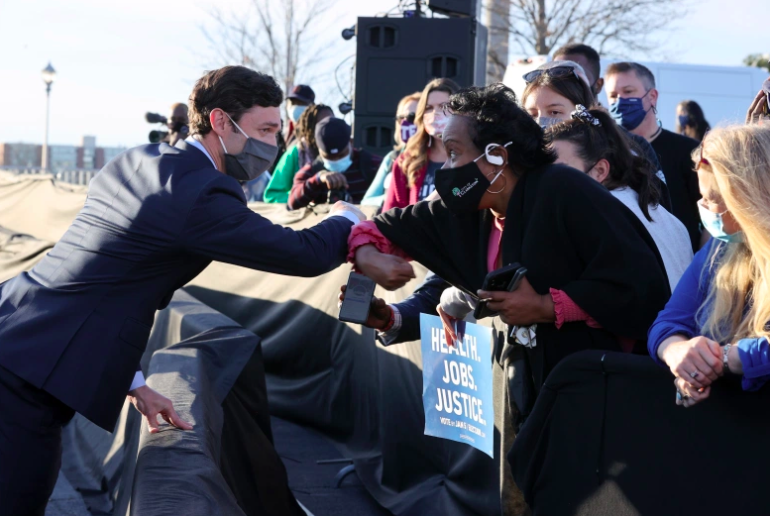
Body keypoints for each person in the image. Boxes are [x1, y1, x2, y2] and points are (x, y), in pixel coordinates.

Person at [0, 66, 364, 516]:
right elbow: (301, 254)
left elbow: (102, 279)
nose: (274, 145)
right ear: (220, 122)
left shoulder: (139, 160)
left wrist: (133, 383)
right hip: (22, 381)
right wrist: (348, 218)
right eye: (266, 130)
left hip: (16, 334)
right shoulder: (200, 193)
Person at [349, 84, 670, 389]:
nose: (446, 169)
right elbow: (399, 236)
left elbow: (640, 291)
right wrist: (372, 267)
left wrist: (547, 306)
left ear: (498, 156)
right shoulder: (479, 208)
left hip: (597, 390)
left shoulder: (567, 192)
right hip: (531, 386)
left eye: (454, 152)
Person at [648, 125, 770, 408]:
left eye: (712, 199)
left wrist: (724, 358)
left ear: (747, 202)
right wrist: (679, 353)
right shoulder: (718, 249)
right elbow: (668, 322)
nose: (701, 205)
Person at [547, 106, 693, 291]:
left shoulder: (600, 213)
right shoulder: (669, 220)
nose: (550, 180)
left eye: (560, 170)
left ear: (600, 170)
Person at [521, 60, 668, 210]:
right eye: (532, 114)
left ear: (582, 114)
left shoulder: (626, 158)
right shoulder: (519, 163)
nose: (540, 121)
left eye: (555, 112)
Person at [605, 62, 703, 252]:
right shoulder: (603, 153)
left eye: (628, 91)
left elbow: (711, 215)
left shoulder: (688, 150)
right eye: (613, 96)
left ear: (652, 96)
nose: (620, 100)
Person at [382, 78, 459, 211]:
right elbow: (390, 215)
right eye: (428, 108)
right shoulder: (406, 161)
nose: (435, 113)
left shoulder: (476, 157)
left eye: (443, 106)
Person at [288, 117, 382, 209]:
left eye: (341, 155)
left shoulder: (372, 165)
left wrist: (356, 206)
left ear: (351, 142)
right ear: (318, 148)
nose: (336, 159)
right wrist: (317, 180)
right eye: (329, 157)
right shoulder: (310, 172)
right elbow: (292, 204)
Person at [264, 104, 334, 203]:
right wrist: (300, 200)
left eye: (331, 123)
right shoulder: (295, 153)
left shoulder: (343, 152)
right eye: (322, 124)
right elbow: (272, 195)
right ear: (311, 127)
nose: (328, 129)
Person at [362, 92, 421, 208]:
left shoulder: (437, 156)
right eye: (400, 118)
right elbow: (367, 200)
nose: (405, 122)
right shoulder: (392, 158)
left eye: (411, 117)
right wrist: (391, 197)